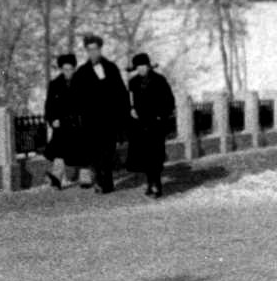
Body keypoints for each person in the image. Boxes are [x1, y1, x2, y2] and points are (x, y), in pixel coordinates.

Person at [67, 33, 128, 194]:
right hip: (91, 121)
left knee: (108, 152)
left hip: (109, 119)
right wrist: (77, 117)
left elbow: (121, 93)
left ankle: (106, 183)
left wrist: (122, 116)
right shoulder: (81, 72)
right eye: (89, 50)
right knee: (95, 153)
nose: (92, 53)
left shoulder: (111, 68)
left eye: (95, 49)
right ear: (86, 51)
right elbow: (74, 97)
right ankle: (102, 182)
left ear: (100, 49)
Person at [124, 52, 176, 198]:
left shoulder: (159, 80)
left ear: (148, 66)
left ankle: (156, 184)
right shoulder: (133, 82)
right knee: (145, 156)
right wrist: (131, 110)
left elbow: (169, 101)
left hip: (155, 124)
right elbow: (128, 101)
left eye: (143, 66)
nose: (141, 69)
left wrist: (160, 116)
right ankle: (150, 182)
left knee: (156, 155)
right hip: (140, 125)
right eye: (138, 67)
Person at [41, 53, 80, 189]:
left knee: (83, 151)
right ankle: (57, 177)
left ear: (74, 68)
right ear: (61, 69)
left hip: (79, 124)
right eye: (65, 69)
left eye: (70, 69)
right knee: (59, 149)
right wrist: (52, 120)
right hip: (62, 124)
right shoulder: (55, 84)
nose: (67, 72)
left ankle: (87, 175)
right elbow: (49, 106)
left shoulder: (82, 83)